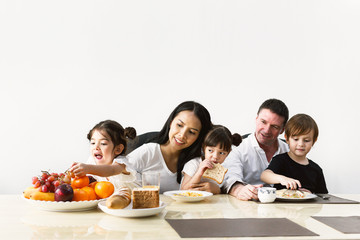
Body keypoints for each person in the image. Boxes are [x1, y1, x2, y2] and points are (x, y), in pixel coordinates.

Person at [117, 101, 212, 193]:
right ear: (171, 123)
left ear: (199, 136)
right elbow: (117, 169)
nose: (182, 135)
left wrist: (217, 189)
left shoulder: (198, 162)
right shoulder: (150, 152)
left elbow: (225, 178)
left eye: (191, 132)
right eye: (179, 125)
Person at [222, 98, 289, 201]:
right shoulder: (238, 148)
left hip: (284, 209)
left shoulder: (289, 151)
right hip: (246, 207)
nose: (266, 130)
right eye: (263, 122)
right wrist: (239, 190)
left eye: (274, 126)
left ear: (282, 130)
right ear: (256, 119)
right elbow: (230, 178)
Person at [260, 114, 328, 193]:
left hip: (308, 205)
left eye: (306, 140)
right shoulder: (280, 160)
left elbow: (324, 196)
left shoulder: (316, 170)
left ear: (314, 141)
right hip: (281, 205)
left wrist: (311, 194)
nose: (301, 144)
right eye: (296, 139)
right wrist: (282, 179)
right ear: (287, 139)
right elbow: (264, 175)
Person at [69, 120, 137, 186]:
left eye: (103, 143)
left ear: (118, 149)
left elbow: (111, 170)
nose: (96, 147)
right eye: (93, 143)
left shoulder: (121, 163)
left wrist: (88, 168)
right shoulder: (91, 161)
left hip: (136, 196)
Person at [181, 125, 242, 194]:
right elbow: (183, 190)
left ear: (228, 153)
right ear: (204, 148)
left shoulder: (223, 171)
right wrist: (199, 172)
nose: (215, 156)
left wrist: (217, 190)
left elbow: (222, 194)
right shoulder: (194, 164)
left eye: (221, 153)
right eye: (210, 150)